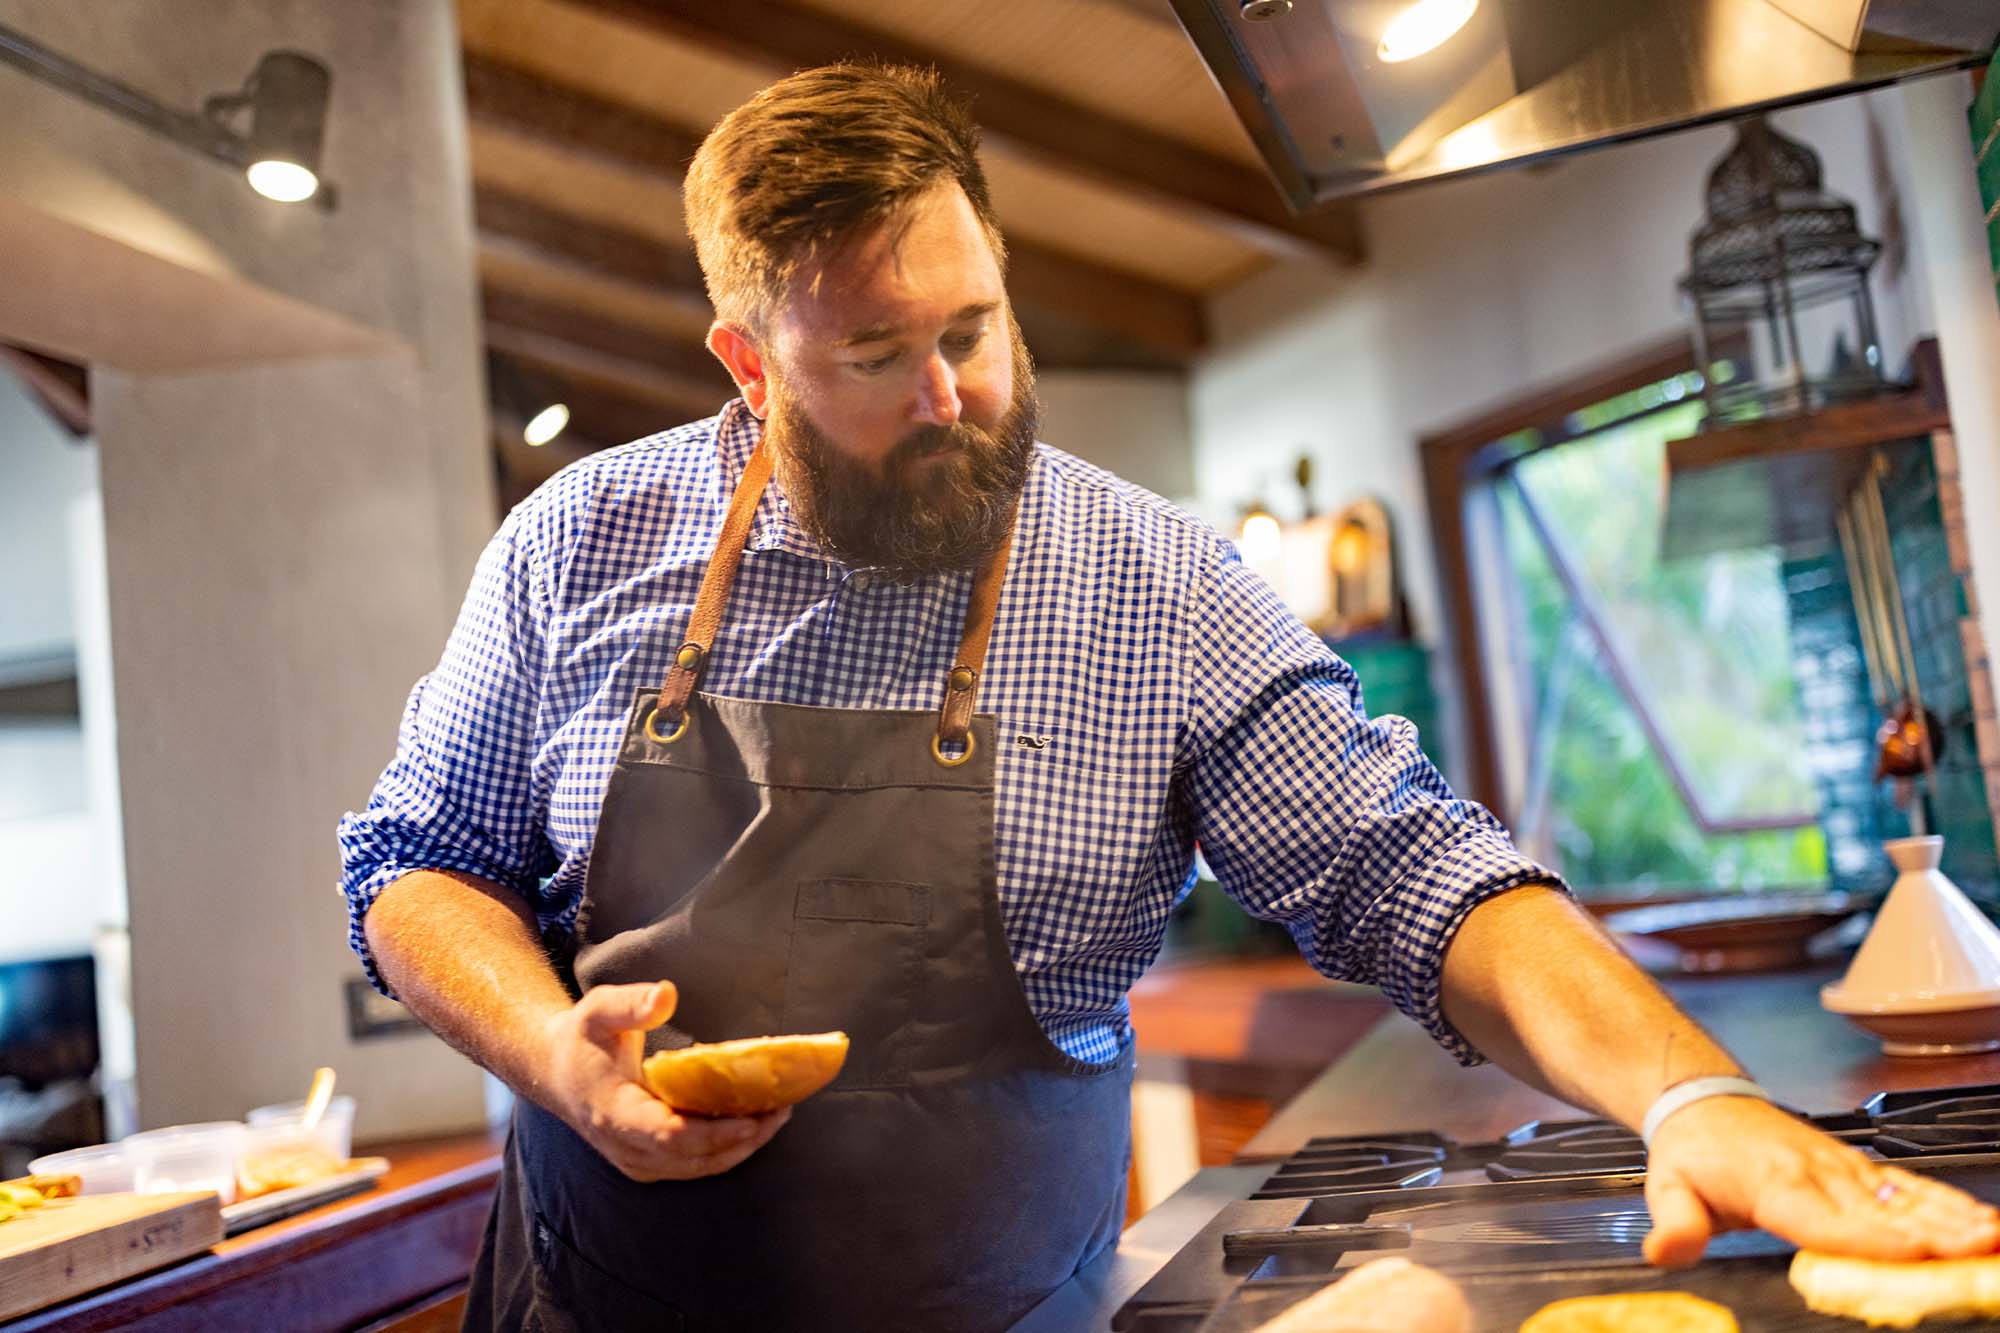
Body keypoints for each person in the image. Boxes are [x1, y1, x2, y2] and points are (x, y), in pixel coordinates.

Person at [340, 62, 2000, 1333]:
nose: (954, 398)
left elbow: (1411, 872)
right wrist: (551, 1046)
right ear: (748, 361)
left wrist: (1692, 1092)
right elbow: (411, 863)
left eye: (977, 327)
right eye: (875, 359)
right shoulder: (576, 545)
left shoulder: (1154, 587)